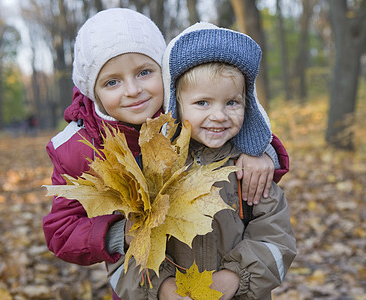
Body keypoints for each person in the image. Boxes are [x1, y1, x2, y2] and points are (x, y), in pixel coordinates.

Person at [43, 8, 289, 300]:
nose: (133, 90)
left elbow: (229, 108)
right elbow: (65, 232)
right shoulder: (79, 148)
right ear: (93, 90)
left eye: (145, 72)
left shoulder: (187, 121)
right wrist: (123, 238)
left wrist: (261, 152)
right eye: (112, 82)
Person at [109, 22, 297, 300]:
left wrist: (236, 277)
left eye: (231, 102)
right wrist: (162, 288)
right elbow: (125, 248)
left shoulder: (249, 171)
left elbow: (276, 238)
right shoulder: (152, 171)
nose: (219, 115)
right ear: (177, 105)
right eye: (203, 103)